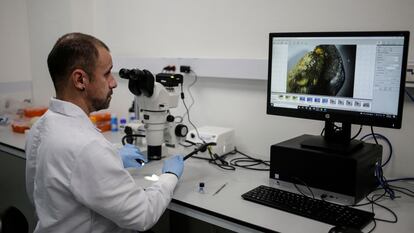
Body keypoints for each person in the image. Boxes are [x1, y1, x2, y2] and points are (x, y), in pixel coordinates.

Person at [25, 32, 184, 233]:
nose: (114, 82)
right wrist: (169, 176)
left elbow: (38, 195)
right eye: (107, 73)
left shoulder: (40, 128)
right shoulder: (88, 147)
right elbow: (142, 215)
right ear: (80, 79)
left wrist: (113, 158)